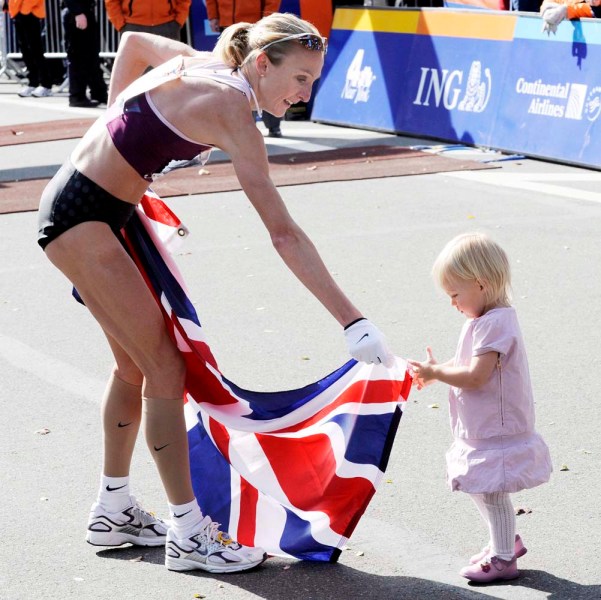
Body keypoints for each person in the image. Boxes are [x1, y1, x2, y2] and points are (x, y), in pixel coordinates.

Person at [37, 12, 393, 574]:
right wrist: (352, 320)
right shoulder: (234, 109)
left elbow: (131, 45)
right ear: (260, 62)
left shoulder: (213, 65)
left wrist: (115, 133)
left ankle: (113, 508)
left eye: (313, 81)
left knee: (134, 366)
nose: (306, 93)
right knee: (166, 369)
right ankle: (189, 534)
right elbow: (283, 231)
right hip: (86, 218)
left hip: (98, 211)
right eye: (299, 78)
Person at [408, 233, 552, 584]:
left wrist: (436, 372)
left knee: (490, 487)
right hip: (481, 424)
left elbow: (475, 376)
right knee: (476, 483)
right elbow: (470, 368)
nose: (453, 303)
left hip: (496, 427)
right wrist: (437, 371)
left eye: (456, 294)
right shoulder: (483, 320)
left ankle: (504, 558)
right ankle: (504, 540)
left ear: (482, 284)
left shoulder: (494, 323)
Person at [206, 0, 283, 137]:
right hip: (228, 27)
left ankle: (273, 125)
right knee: (233, 75)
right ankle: (244, 124)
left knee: (264, 72)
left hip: (256, 25)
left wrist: (267, 20)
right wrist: (213, 16)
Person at [61, 0, 108, 107]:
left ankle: (98, 93)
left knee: (91, 56)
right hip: (77, 13)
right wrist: (77, 12)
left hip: (84, 11)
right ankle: (77, 96)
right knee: (78, 57)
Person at [4, 0, 53, 97]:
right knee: (25, 49)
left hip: (30, 12)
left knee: (35, 49)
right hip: (17, 12)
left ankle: (45, 84)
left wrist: (24, 10)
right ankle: (33, 82)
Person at [104, 0, 191, 41]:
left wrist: (178, 21)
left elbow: (184, 1)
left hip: (167, 26)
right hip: (133, 27)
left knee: (169, 74)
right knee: (137, 75)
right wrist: (121, 25)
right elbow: (111, 2)